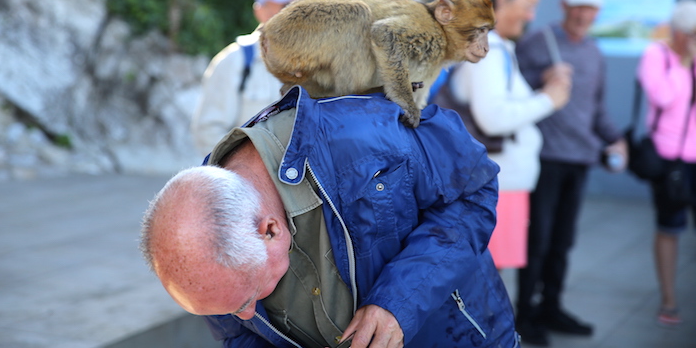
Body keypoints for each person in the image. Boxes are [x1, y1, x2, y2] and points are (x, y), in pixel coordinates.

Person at [141, 86, 520, 347]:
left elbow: (474, 192)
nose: (247, 315)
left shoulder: (361, 137)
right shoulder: (208, 242)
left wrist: (398, 302)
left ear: (269, 230)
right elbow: (240, 339)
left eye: (250, 296)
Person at [514, 0, 628, 345]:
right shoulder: (538, 40)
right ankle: (524, 314)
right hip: (545, 158)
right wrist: (541, 77)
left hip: (581, 158)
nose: (583, 14)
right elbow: (512, 88)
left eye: (590, 8)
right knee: (539, 240)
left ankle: (551, 306)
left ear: (597, 12)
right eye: (577, 6)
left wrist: (616, 140)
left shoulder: (594, 51)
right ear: (564, 6)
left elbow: (596, 110)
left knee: (563, 241)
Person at [441, 0, 571, 272]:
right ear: (501, 0)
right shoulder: (489, 49)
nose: (531, 15)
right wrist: (549, 99)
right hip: (496, 184)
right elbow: (494, 117)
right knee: (485, 283)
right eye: (527, 4)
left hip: (498, 182)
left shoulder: (492, 45)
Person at [191, 0, 312, 158]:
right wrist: (245, 173)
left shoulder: (315, 64)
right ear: (260, 11)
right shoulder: (234, 61)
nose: (296, 12)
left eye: (302, 4)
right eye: (286, 5)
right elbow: (208, 132)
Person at [636, 0, 696, 327]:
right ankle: (669, 299)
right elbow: (664, 97)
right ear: (678, 32)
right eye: (691, 34)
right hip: (669, 157)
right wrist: (685, 64)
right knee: (669, 227)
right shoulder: (656, 55)